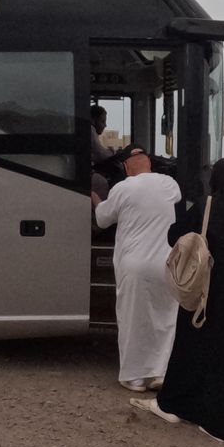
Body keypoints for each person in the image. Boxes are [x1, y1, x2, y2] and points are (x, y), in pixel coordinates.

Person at [148, 158, 224, 442]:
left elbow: (174, 235)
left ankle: (175, 406)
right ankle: (218, 423)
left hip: (204, 297)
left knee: (191, 351)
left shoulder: (208, 207)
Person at [91, 148, 183, 392]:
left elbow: (102, 219)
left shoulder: (123, 188)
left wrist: (96, 200)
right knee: (164, 319)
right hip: (165, 263)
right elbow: (174, 198)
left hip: (135, 265)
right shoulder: (169, 184)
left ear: (127, 168)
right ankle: (159, 372)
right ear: (149, 165)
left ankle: (134, 377)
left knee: (133, 319)